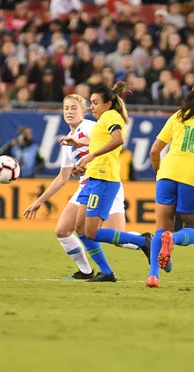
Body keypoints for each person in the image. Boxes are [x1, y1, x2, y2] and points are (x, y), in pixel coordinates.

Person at [24, 94, 140, 280]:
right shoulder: (67, 141)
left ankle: (151, 243)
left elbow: (104, 142)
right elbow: (62, 178)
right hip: (86, 186)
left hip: (105, 182)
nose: (69, 112)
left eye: (73, 108)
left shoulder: (90, 126)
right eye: (66, 108)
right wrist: (39, 201)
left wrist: (82, 146)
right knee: (63, 230)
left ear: (84, 111)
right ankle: (86, 271)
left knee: (117, 238)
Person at [71, 82, 151, 282]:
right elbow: (100, 142)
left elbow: (118, 139)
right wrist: (80, 146)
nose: (92, 107)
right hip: (93, 177)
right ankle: (106, 272)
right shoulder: (102, 120)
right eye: (91, 103)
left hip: (104, 178)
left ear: (108, 104)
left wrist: (91, 156)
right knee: (79, 228)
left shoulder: (111, 116)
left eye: (96, 103)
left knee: (90, 232)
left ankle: (142, 241)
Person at [146, 80, 194, 288]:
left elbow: (154, 151)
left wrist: (159, 173)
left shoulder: (178, 115)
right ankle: (174, 239)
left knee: (160, 227)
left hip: (167, 173)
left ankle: (153, 276)